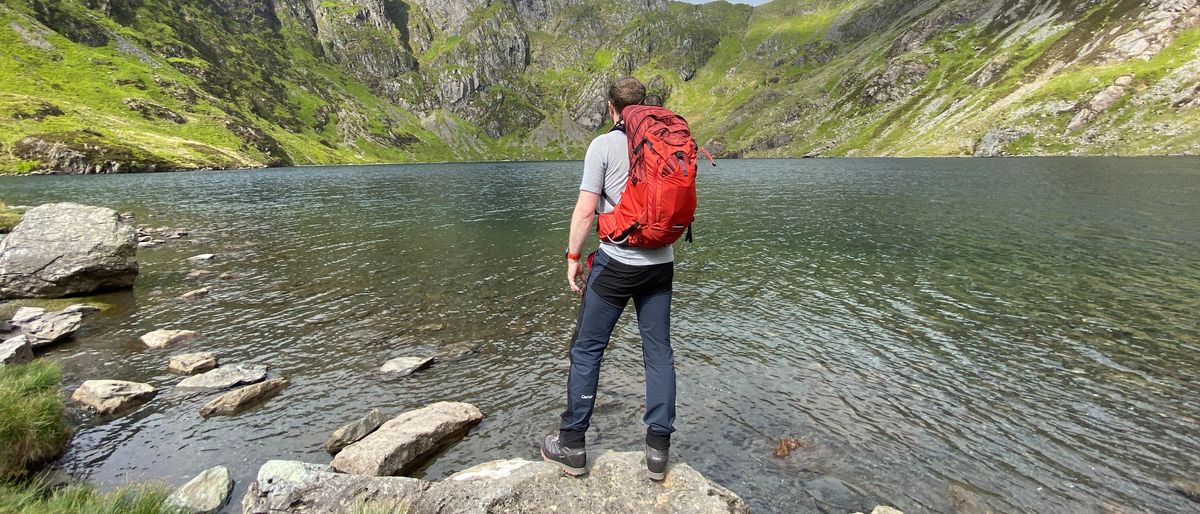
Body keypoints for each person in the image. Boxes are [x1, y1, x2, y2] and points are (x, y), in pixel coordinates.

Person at [540, 76, 677, 481]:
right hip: (660, 264)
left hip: (616, 264)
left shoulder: (603, 145)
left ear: (611, 108)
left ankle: (573, 444)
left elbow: (585, 212)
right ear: (644, 105)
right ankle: (657, 452)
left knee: (587, 351)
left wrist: (572, 257)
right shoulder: (665, 141)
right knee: (659, 353)